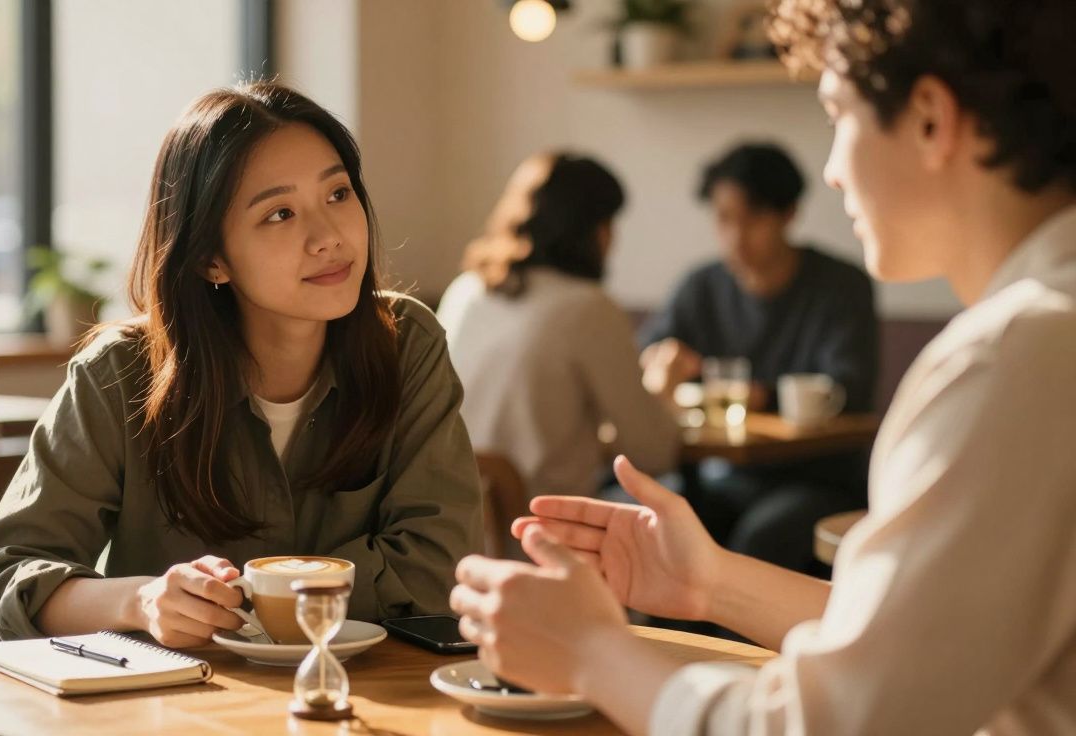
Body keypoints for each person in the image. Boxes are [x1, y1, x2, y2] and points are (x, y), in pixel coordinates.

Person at [450, 0, 1076, 732]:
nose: (835, 172)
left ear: (931, 119)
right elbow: (922, 637)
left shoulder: (1015, 357)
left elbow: (834, 724)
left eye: (837, 114)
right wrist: (709, 581)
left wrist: (593, 654)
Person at [0, 82, 482, 645]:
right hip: (174, 710)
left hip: (360, 702)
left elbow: (439, 567)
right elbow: (3, 577)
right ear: (212, 258)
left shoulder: (405, 343)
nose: (328, 237)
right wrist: (142, 601)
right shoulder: (117, 375)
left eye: (337, 194)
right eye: (280, 214)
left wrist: (249, 597)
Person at [640, 141, 878, 573]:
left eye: (753, 219)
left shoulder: (840, 287)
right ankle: (665, 644)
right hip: (720, 473)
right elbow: (646, 357)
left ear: (788, 214)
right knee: (663, 533)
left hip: (816, 477)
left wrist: (759, 397)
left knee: (760, 538)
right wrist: (662, 364)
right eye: (724, 219)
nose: (736, 236)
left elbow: (850, 387)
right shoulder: (701, 287)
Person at [437, 153, 680, 502]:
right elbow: (653, 453)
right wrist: (664, 386)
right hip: (543, 530)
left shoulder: (468, 290)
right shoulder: (588, 308)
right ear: (598, 231)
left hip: (456, 527)